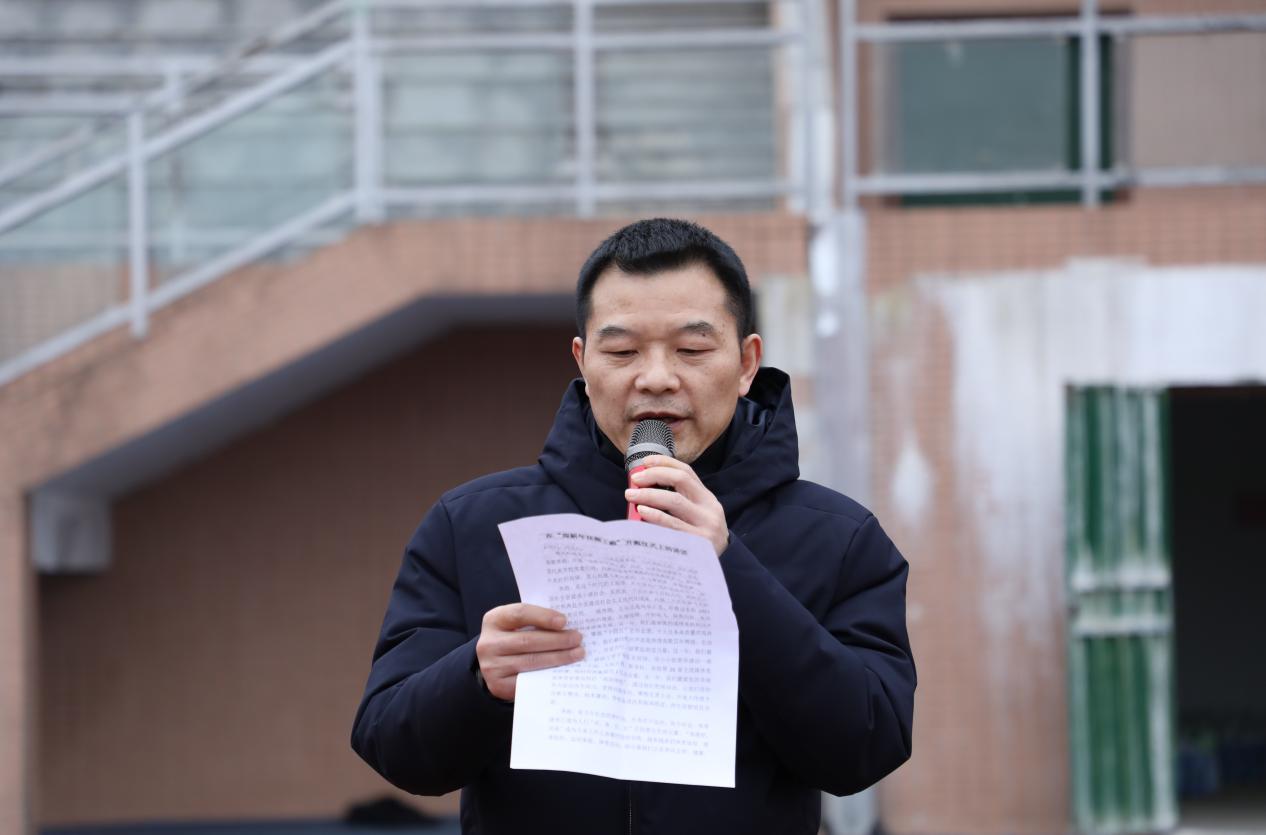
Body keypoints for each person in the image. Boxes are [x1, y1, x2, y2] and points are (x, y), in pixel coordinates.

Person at [350, 218, 915, 835]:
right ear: (582, 360)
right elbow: (391, 744)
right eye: (622, 352)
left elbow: (867, 748)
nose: (656, 378)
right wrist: (476, 679)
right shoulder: (472, 524)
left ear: (747, 362)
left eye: (692, 350)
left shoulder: (839, 537)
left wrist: (729, 569)